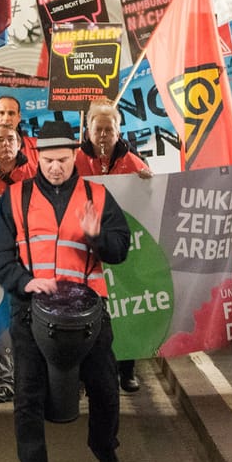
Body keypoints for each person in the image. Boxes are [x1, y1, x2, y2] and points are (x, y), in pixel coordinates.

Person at [0, 120, 131, 462]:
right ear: (37, 158)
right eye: (48, 160)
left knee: (104, 388)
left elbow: (120, 249)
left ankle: (106, 451)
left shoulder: (97, 196)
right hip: (31, 311)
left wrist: (97, 236)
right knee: (27, 395)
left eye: (63, 160)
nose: (55, 168)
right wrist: (24, 281)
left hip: (88, 311)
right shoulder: (15, 198)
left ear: (74, 157)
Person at [76, 100, 151, 393]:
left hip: (121, 248)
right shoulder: (74, 160)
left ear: (119, 131)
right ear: (88, 130)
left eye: (110, 129)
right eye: (99, 129)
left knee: (126, 309)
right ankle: (83, 374)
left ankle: (127, 369)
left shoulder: (133, 162)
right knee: (84, 310)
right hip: (84, 248)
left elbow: (150, 197)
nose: (104, 135)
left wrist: (148, 180)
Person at [0, 123, 36, 402]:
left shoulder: (34, 174)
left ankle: (28, 382)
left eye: (10, 139)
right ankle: (5, 381)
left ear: (20, 143)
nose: (4, 144)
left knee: (23, 322)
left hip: (26, 259)